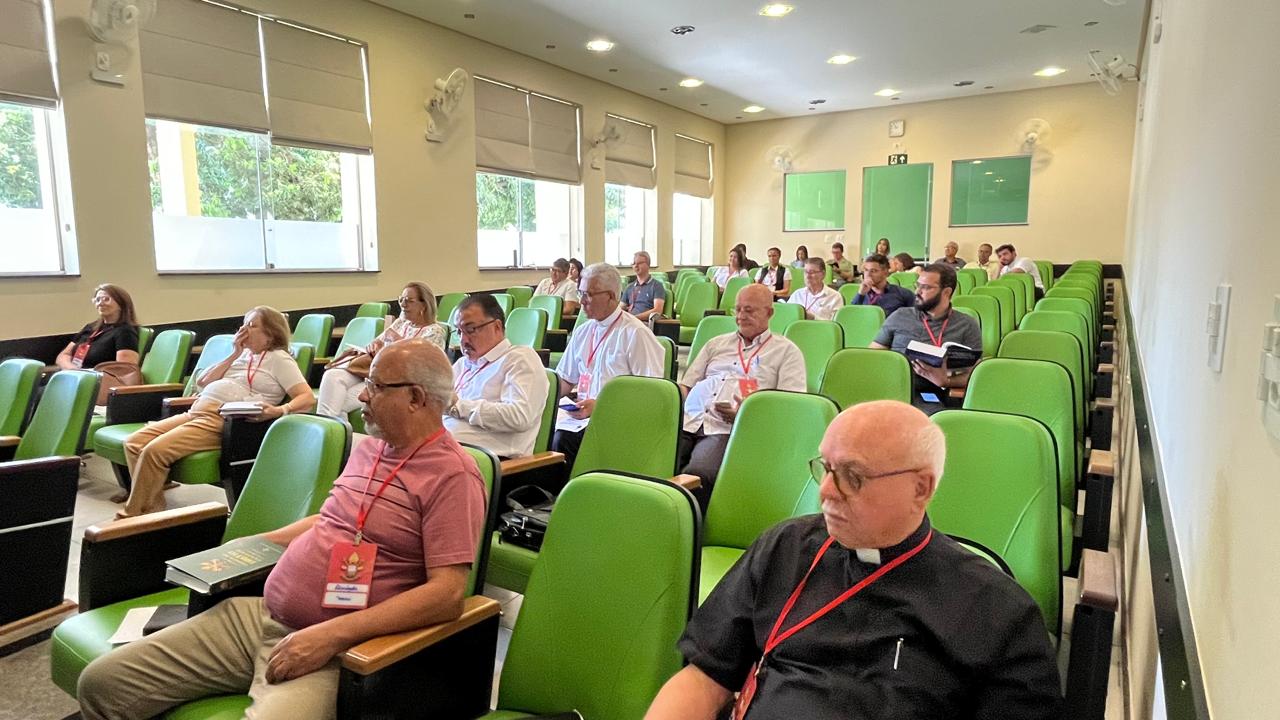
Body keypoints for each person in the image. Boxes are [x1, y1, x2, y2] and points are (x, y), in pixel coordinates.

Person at [78, 341, 487, 720]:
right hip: (258, 617)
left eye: (376, 386)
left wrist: (330, 635)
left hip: (335, 647)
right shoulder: (370, 448)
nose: (361, 395)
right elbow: (331, 521)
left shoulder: (453, 476)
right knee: (101, 685)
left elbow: (447, 593)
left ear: (415, 397)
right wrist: (255, 544)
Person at [645, 401, 1062, 720]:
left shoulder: (995, 611)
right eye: (825, 468)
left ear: (921, 488)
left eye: (852, 476)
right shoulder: (784, 548)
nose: (826, 491)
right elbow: (703, 680)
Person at [119, 306, 315, 516]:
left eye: (251, 325)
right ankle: (152, 509)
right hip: (197, 411)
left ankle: (132, 515)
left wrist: (279, 410)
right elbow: (203, 381)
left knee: (153, 452)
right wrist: (234, 354)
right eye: (243, 323)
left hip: (223, 420)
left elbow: (307, 397)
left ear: (270, 333)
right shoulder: (244, 355)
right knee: (133, 443)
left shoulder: (279, 358)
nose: (243, 330)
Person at [678, 285, 806, 502]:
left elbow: (791, 406)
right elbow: (686, 385)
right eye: (737, 310)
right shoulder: (716, 344)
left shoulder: (786, 351)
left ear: (769, 313)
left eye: (749, 310)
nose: (740, 316)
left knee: (699, 473)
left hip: (729, 427)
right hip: (689, 418)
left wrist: (746, 415)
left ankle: (690, 529)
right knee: (648, 461)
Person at [551, 262, 665, 468]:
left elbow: (651, 395)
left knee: (562, 440)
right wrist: (542, 398)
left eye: (588, 295)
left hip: (619, 419)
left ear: (611, 296)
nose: (582, 301)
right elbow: (566, 379)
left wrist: (601, 406)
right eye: (580, 293)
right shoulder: (584, 331)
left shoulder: (635, 334)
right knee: (540, 427)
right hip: (579, 414)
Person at [317, 282, 446, 418]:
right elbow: (377, 341)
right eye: (401, 299)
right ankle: (325, 429)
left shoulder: (434, 331)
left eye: (409, 301)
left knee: (338, 404)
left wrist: (398, 341)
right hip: (372, 372)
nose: (403, 304)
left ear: (424, 305)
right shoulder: (400, 323)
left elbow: (422, 365)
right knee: (332, 375)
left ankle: (331, 432)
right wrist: (373, 346)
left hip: (396, 383)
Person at [445, 294, 549, 458]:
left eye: (470, 329)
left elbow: (519, 416)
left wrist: (458, 407)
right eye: (459, 331)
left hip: (493, 461)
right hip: (447, 450)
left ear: (497, 327)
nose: (463, 340)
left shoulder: (519, 359)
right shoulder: (462, 365)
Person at [871, 264, 982, 412]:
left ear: (946, 292)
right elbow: (873, 356)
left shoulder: (966, 325)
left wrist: (946, 381)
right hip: (892, 387)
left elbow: (976, 374)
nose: (918, 292)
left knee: (930, 416)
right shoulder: (900, 315)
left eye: (926, 287)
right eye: (918, 285)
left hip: (929, 392)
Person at [55, 284, 140, 370]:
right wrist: (73, 370)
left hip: (100, 380)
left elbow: (125, 370)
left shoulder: (125, 332)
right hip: (76, 376)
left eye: (106, 299)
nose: (100, 303)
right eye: (97, 300)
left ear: (121, 304)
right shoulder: (90, 327)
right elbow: (64, 355)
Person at [851, 254, 915, 318]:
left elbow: (918, 317)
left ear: (885, 272)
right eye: (866, 270)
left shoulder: (903, 294)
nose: (868, 274)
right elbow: (851, 317)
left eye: (873, 271)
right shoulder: (862, 294)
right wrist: (860, 294)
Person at [621, 251, 667, 321]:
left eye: (639, 263)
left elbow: (657, 311)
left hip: (645, 323)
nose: (636, 266)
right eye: (633, 263)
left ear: (648, 265)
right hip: (630, 322)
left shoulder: (657, 286)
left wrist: (635, 319)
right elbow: (621, 307)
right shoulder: (629, 287)